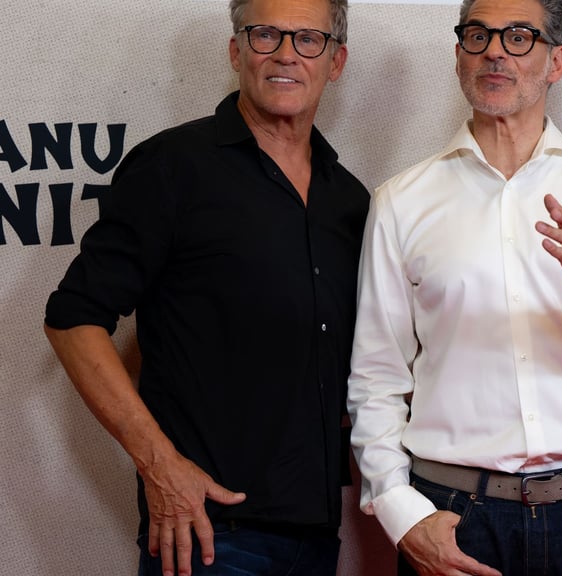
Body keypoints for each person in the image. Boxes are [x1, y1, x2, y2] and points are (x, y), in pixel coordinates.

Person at [346, 0, 562, 574]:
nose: (495, 51)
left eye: (518, 37)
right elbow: (376, 377)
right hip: (452, 515)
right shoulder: (402, 201)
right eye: (477, 35)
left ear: (556, 61)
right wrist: (401, 512)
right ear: (458, 56)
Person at [43, 0, 368, 574]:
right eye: (265, 34)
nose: (286, 54)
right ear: (236, 50)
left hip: (316, 535)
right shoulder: (173, 166)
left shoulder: (350, 199)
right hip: (207, 535)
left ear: (336, 61)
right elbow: (72, 319)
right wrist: (160, 467)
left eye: (308, 40)